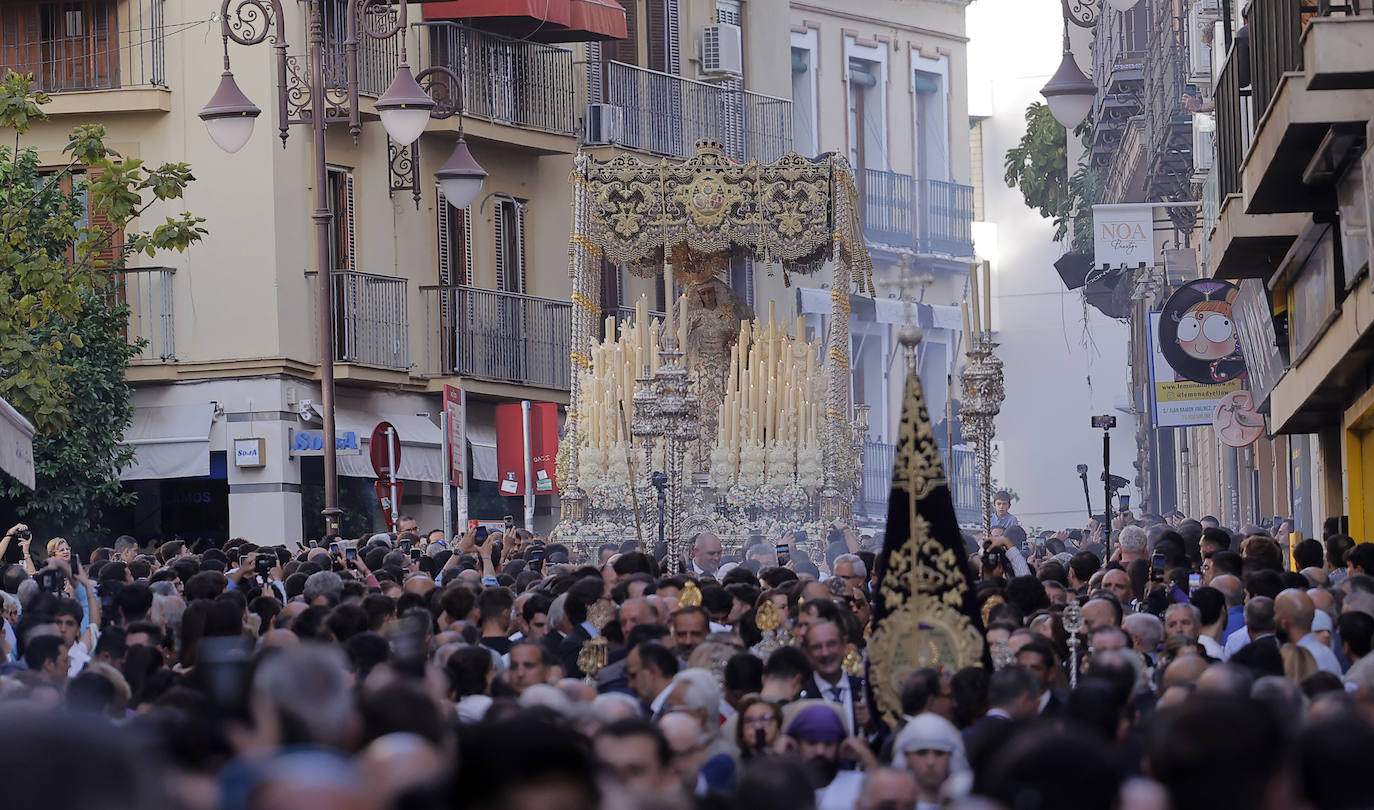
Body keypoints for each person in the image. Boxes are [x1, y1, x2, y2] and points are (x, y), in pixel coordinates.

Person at [783, 703, 871, 810]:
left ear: (840, 745)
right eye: (812, 743)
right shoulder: (781, 785)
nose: (820, 751)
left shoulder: (858, 785)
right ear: (796, 744)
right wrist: (777, 755)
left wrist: (865, 755)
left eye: (828, 744)